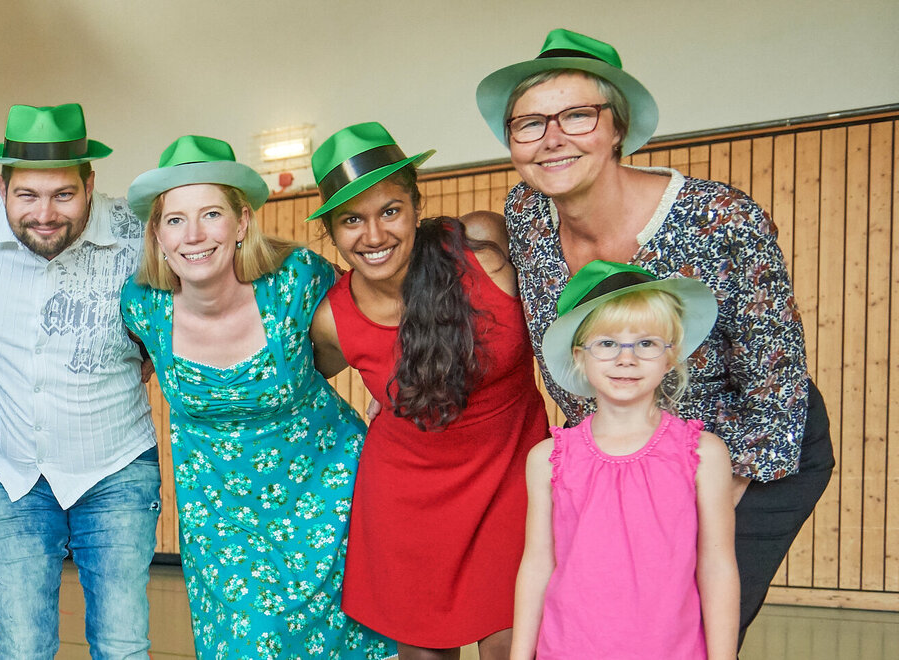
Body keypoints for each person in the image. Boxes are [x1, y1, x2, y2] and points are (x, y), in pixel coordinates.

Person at [479, 28, 829, 641]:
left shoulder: (721, 218)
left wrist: (687, 506)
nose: (552, 137)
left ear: (618, 127)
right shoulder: (527, 216)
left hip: (746, 450)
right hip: (613, 453)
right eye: (528, 123)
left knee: (680, 625)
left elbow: (775, 394)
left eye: (578, 115)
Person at [118, 135, 393, 659]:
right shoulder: (143, 305)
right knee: (246, 643)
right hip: (221, 521)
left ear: (242, 222)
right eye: (175, 219)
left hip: (330, 496)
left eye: (211, 215)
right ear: (157, 232)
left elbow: (364, 325)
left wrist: (390, 385)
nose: (193, 235)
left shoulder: (297, 279)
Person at [304, 123, 543, 659]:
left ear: (415, 205)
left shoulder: (482, 246)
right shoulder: (332, 319)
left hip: (511, 481)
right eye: (350, 220)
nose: (373, 235)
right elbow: (301, 390)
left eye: (389, 210)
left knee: (516, 644)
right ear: (331, 231)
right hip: (407, 501)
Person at [0, 103, 160, 660]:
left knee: (121, 643)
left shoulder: (142, 237)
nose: (44, 213)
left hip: (116, 469)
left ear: (91, 185)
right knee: (22, 646)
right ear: (1, 188)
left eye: (64, 194)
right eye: (27, 196)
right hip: (11, 473)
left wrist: (156, 351)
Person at [511, 260, 739, 658]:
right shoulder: (548, 459)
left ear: (671, 356)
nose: (626, 358)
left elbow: (717, 567)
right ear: (580, 355)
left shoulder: (704, 454)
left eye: (647, 343)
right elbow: (536, 564)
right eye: (608, 343)